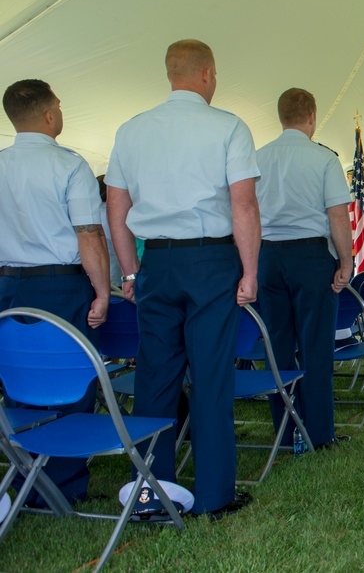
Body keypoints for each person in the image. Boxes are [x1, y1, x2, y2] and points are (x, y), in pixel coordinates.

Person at [105, 39, 260, 518]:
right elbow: (244, 205)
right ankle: (214, 495)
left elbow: (116, 210)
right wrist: (250, 271)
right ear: (208, 74)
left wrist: (131, 269)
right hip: (211, 261)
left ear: (170, 73)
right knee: (211, 376)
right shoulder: (228, 126)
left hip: (156, 262)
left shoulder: (131, 130)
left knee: (155, 375)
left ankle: (151, 490)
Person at [0, 79, 110, 505]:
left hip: (8, 285)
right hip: (61, 284)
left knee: (19, 381)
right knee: (72, 383)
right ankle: (61, 487)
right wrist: (102, 290)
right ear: (49, 115)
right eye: (60, 106)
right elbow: (88, 234)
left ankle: (24, 478)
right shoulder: (69, 165)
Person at [255, 88, 353, 449]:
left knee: (277, 344)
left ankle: (284, 430)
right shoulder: (324, 159)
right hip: (311, 257)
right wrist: (346, 260)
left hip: (268, 256)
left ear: (281, 117)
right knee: (315, 345)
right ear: (312, 116)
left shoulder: (257, 157)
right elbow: (338, 215)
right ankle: (319, 433)